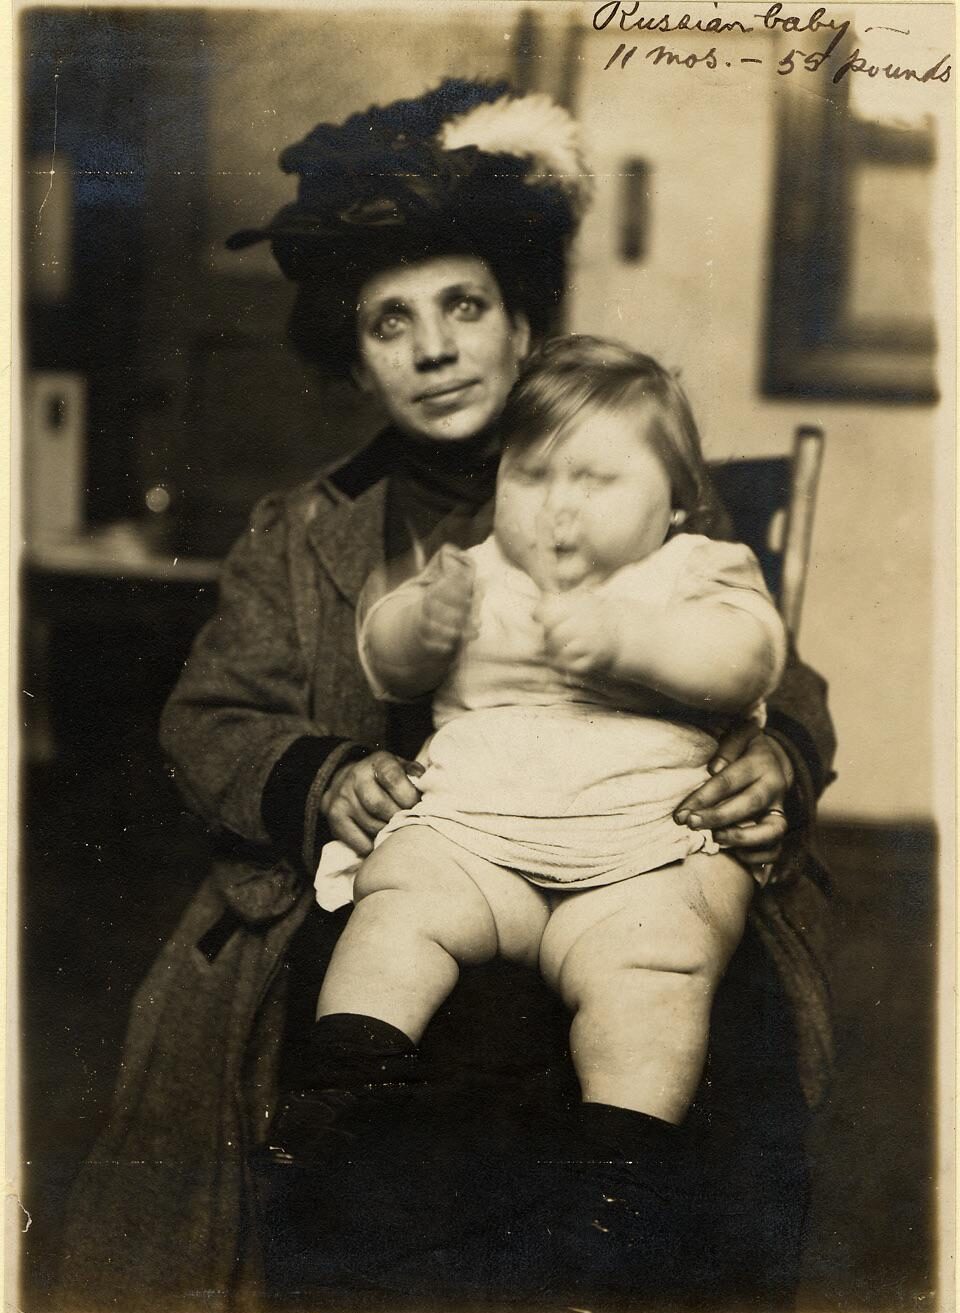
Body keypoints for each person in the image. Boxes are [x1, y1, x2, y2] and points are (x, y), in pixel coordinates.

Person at [59, 79, 836, 1313]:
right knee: (367, 1100)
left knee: (702, 1070)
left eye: (463, 305)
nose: (433, 348)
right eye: (390, 322)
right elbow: (207, 721)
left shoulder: (613, 480)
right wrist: (323, 769)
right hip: (409, 880)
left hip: (634, 863)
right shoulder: (306, 532)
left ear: (522, 323)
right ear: (354, 357)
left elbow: (762, 652)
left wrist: (780, 752)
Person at [278, 336, 788, 1177]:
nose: (557, 506)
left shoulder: (694, 569)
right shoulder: (475, 572)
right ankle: (347, 1085)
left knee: (659, 968)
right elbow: (383, 655)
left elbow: (748, 657)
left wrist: (633, 642)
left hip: (640, 856)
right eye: (532, 474)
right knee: (398, 902)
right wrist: (420, 627)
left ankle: (619, 1167)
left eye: (594, 480)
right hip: (478, 840)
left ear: (676, 503)